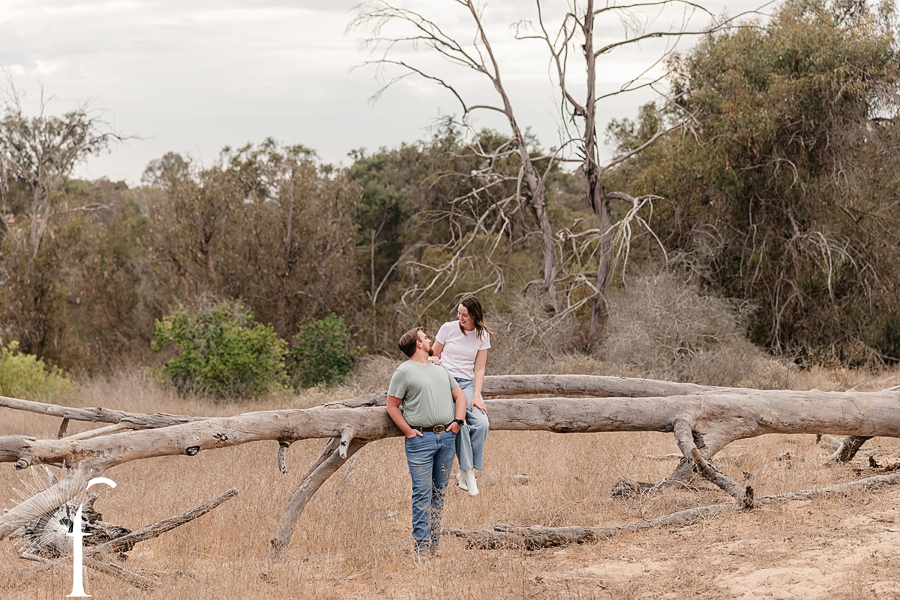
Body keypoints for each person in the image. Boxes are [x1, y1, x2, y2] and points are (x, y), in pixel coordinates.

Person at [386, 327, 467, 557]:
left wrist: (458, 422)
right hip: (420, 440)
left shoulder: (440, 367)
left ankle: (434, 545)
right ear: (418, 344)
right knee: (422, 492)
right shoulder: (403, 372)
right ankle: (420, 548)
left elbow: (460, 395)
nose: (430, 339)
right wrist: (409, 432)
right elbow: (392, 406)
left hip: (447, 437)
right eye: (425, 337)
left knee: (439, 491)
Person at [431, 295, 493, 496]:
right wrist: (435, 361)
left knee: (482, 424)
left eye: (465, 315)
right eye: (459, 313)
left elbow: (480, 369)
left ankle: (465, 471)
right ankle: (468, 473)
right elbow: (432, 353)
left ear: (474, 315)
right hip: (445, 381)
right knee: (462, 424)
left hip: (466, 383)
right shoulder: (448, 328)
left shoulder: (482, 335)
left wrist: (477, 394)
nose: (461, 318)